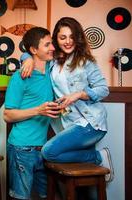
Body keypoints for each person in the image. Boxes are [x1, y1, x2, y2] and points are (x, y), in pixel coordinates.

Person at [21, 17, 114, 182]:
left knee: (48, 152)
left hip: (90, 123)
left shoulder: (86, 62)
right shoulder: (53, 60)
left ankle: (99, 157)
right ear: (56, 38)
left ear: (77, 37)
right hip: (68, 124)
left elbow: (103, 90)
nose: (68, 41)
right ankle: (94, 160)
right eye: (62, 37)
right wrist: (26, 58)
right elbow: (33, 50)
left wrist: (78, 94)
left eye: (72, 37)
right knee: (79, 180)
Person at [4, 27, 61, 200]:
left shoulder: (53, 70)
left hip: (44, 149)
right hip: (21, 148)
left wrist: (26, 57)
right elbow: (7, 115)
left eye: (52, 43)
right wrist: (38, 110)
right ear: (34, 50)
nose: (52, 47)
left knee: (46, 195)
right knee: (21, 197)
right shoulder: (21, 76)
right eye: (47, 44)